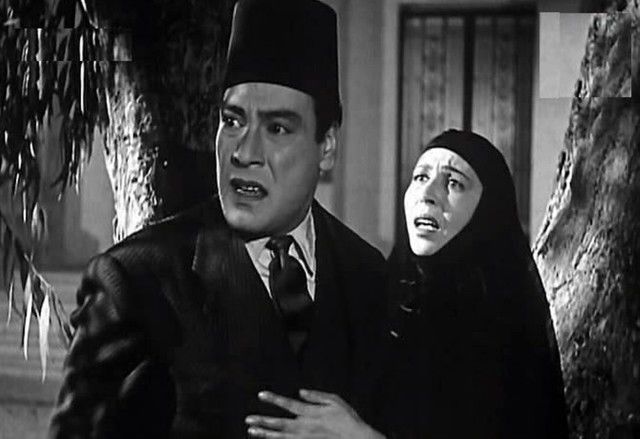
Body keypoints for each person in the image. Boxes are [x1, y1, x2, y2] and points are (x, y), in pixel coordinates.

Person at [48, 0, 387, 437]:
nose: (244, 152)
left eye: (277, 128)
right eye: (233, 120)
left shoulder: (367, 276)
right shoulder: (135, 282)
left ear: (327, 147)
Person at [246, 129, 568, 438]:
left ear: (488, 210)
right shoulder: (378, 301)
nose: (428, 196)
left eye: (454, 183)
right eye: (420, 178)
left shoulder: (507, 330)